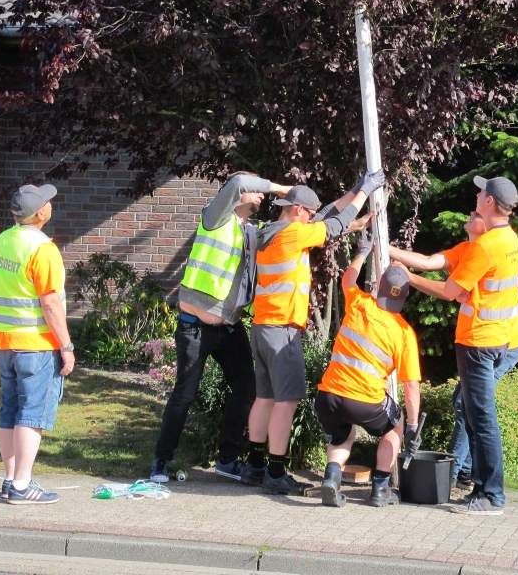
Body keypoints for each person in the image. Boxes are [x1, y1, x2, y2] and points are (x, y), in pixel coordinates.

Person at [243, 171, 386, 495]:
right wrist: (365, 190)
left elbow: (326, 216)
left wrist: (355, 189)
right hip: (283, 331)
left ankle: (255, 466)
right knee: (287, 401)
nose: (311, 218)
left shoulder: (272, 231)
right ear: (297, 211)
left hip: (263, 327)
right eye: (308, 213)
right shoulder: (294, 233)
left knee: (265, 398)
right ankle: (275, 472)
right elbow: (334, 224)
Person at [150, 172, 293, 483]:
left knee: (247, 389)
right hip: (194, 328)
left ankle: (227, 461)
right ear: (237, 194)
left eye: (263, 191)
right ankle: (161, 461)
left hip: (229, 328)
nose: (262, 195)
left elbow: (299, 225)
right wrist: (281, 187)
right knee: (184, 395)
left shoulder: (253, 231)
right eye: (257, 189)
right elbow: (238, 181)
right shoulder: (215, 218)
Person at [399, 176, 518, 515]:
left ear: (490, 203)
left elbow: (450, 292)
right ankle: (479, 487)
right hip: (495, 339)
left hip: (479, 343)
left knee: (482, 419)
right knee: (472, 413)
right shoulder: (508, 238)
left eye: (481, 193)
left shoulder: (485, 246)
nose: (476, 197)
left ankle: (491, 496)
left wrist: (408, 278)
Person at [315, 230, 421, 508]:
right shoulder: (404, 333)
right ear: (405, 295)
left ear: (379, 286)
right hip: (365, 402)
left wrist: (362, 252)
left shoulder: (360, 303)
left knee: (343, 434)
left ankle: (332, 477)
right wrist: (412, 426)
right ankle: (381, 488)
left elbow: (347, 279)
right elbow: (411, 386)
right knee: (395, 423)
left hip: (328, 396)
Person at [0, 184, 75, 505]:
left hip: (4, 339)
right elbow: (50, 303)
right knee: (32, 412)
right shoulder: (42, 249)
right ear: (40, 213)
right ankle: (22, 486)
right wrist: (66, 346)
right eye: (48, 202)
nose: (51, 204)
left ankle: (10, 479)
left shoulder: (1, 242)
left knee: (10, 408)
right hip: (36, 344)